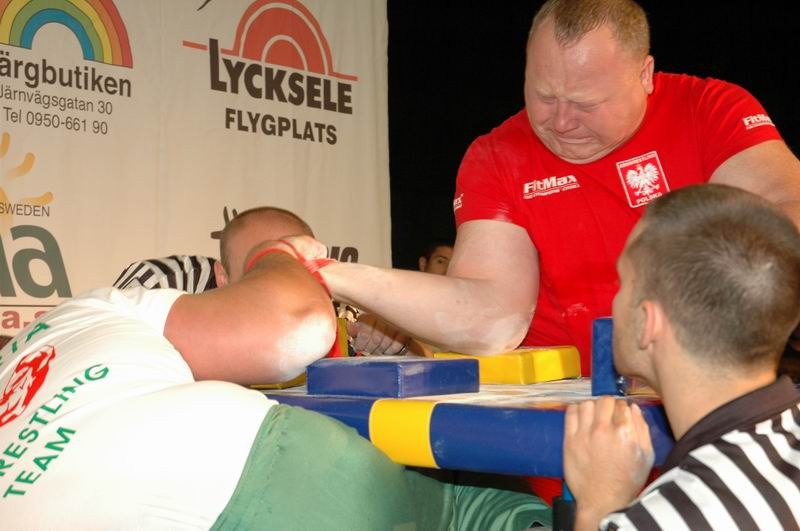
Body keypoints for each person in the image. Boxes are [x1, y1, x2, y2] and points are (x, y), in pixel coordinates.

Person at [317, 0, 800, 374]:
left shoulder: (711, 109)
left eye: (586, 103)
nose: (561, 121)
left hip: (699, 400)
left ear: (646, 75)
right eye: (543, 96)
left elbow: (786, 217)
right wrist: (338, 274)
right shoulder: (496, 154)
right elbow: (492, 317)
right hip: (558, 417)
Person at [0, 206, 550, 529]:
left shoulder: (67, 341)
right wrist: (283, 264)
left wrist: (396, 346)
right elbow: (288, 329)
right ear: (224, 274)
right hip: (259, 478)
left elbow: (414, 386)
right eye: (285, 262)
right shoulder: (148, 298)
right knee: (476, 505)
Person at [563, 183, 800, 529]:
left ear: (647, 322)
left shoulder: (670, 517)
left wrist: (600, 506)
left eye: (623, 282)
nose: (614, 302)